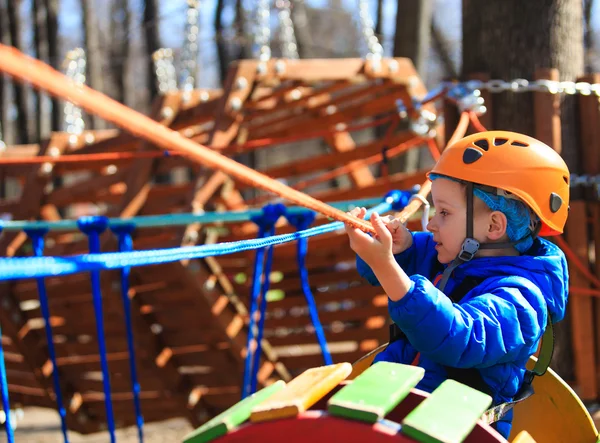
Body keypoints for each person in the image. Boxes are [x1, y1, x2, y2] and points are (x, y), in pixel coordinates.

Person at [344, 130, 569, 438]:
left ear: (493, 226)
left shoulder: (521, 301)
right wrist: (402, 248)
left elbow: (458, 336)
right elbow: (414, 261)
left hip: (454, 431)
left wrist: (386, 265)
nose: (431, 223)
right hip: (404, 411)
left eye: (444, 213)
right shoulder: (456, 256)